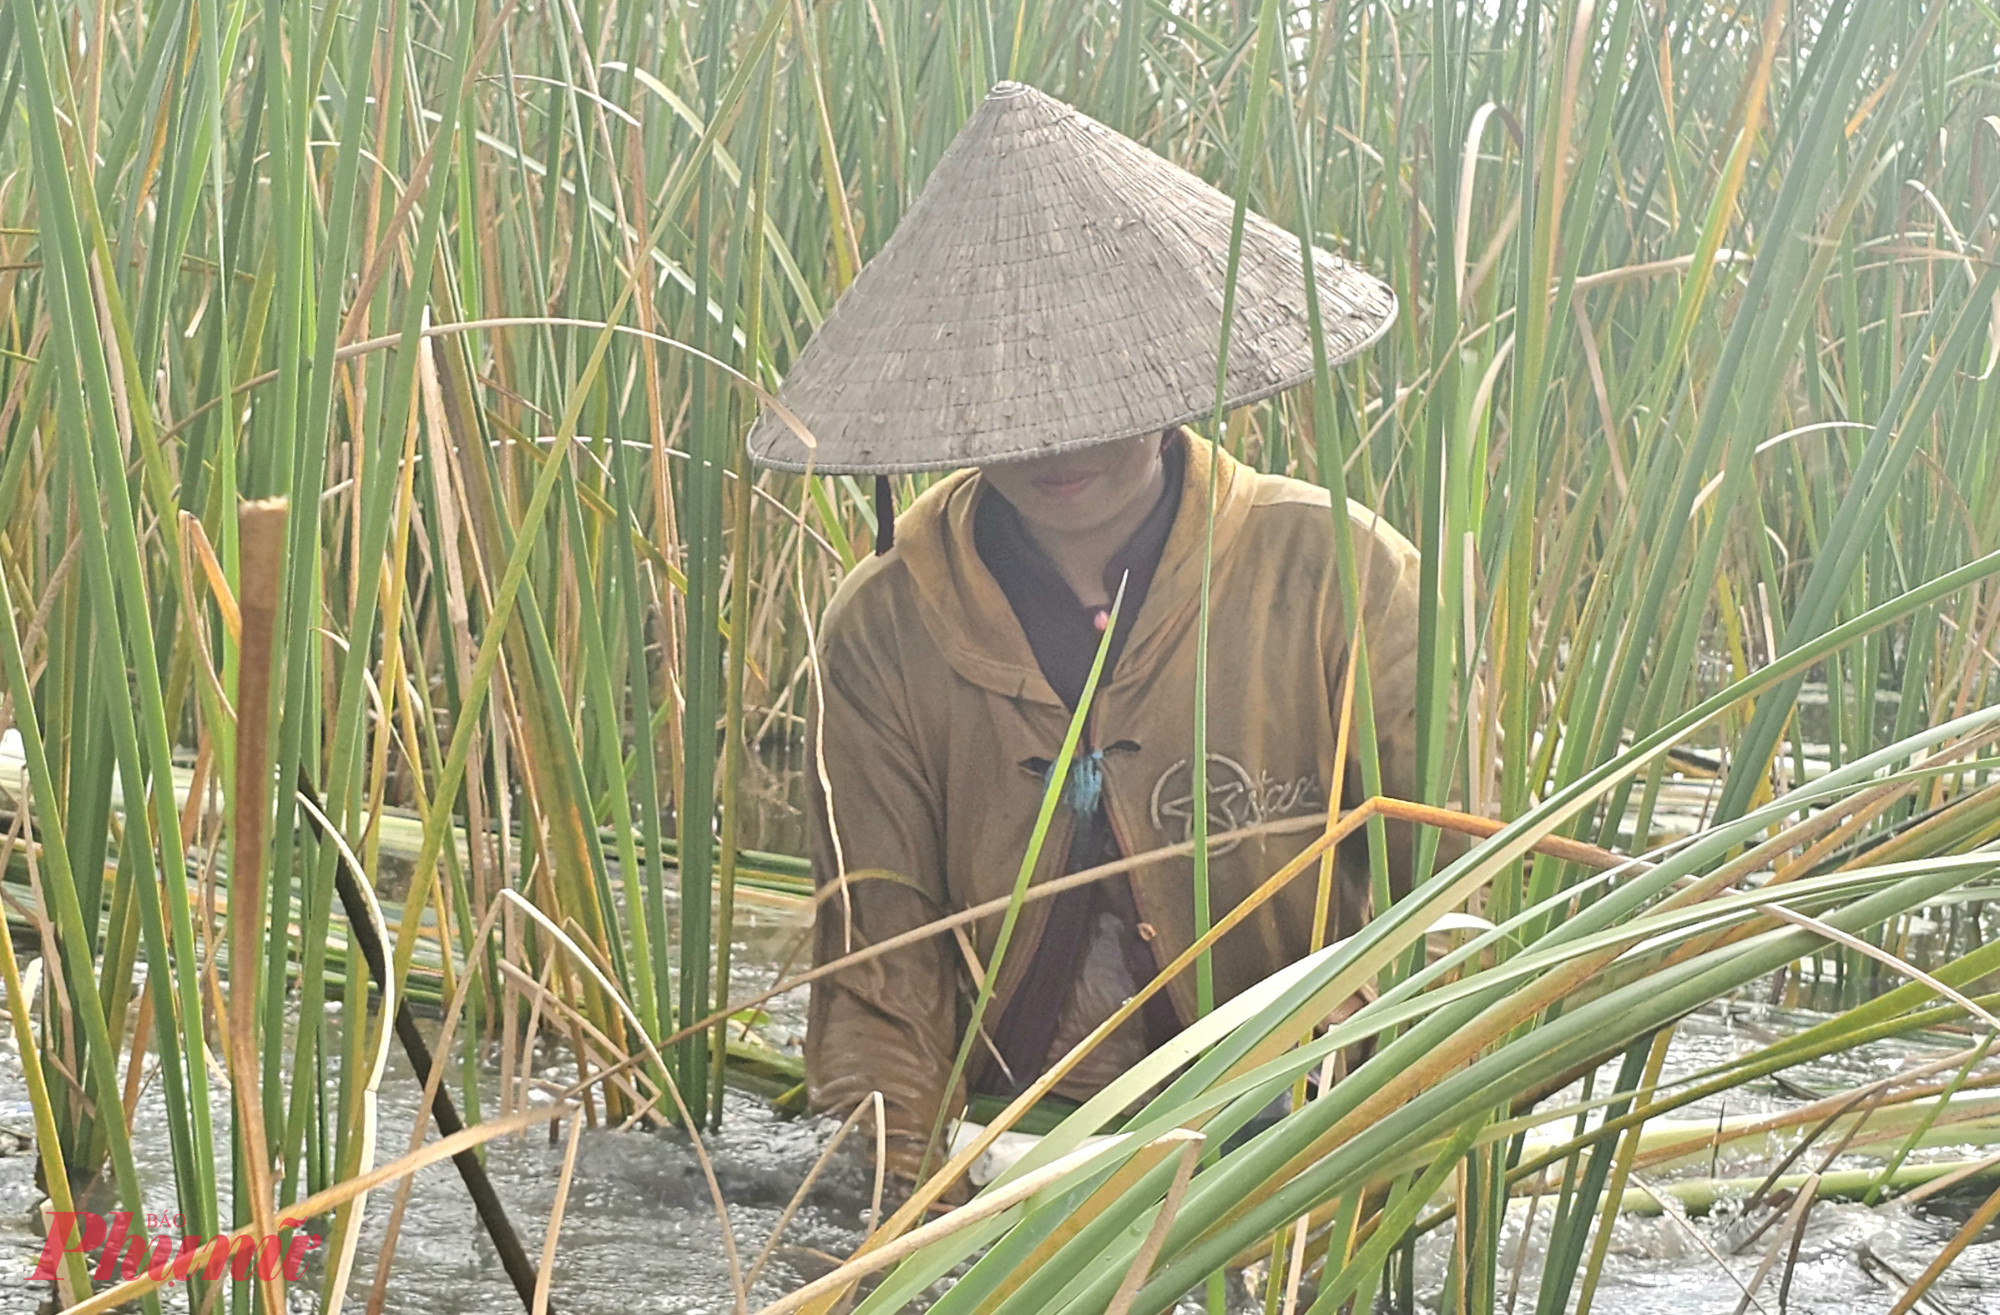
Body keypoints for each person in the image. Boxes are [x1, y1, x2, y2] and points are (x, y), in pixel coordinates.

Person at [743, 83, 1432, 1193]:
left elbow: (1446, 913)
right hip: (1006, 1138)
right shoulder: (881, 628)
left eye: (1092, 396)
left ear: (1166, 368)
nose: (1056, 442)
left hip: (1283, 1126)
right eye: (1014, 400)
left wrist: (1352, 1149)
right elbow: (882, 984)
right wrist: (891, 1221)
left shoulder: (1341, 573)